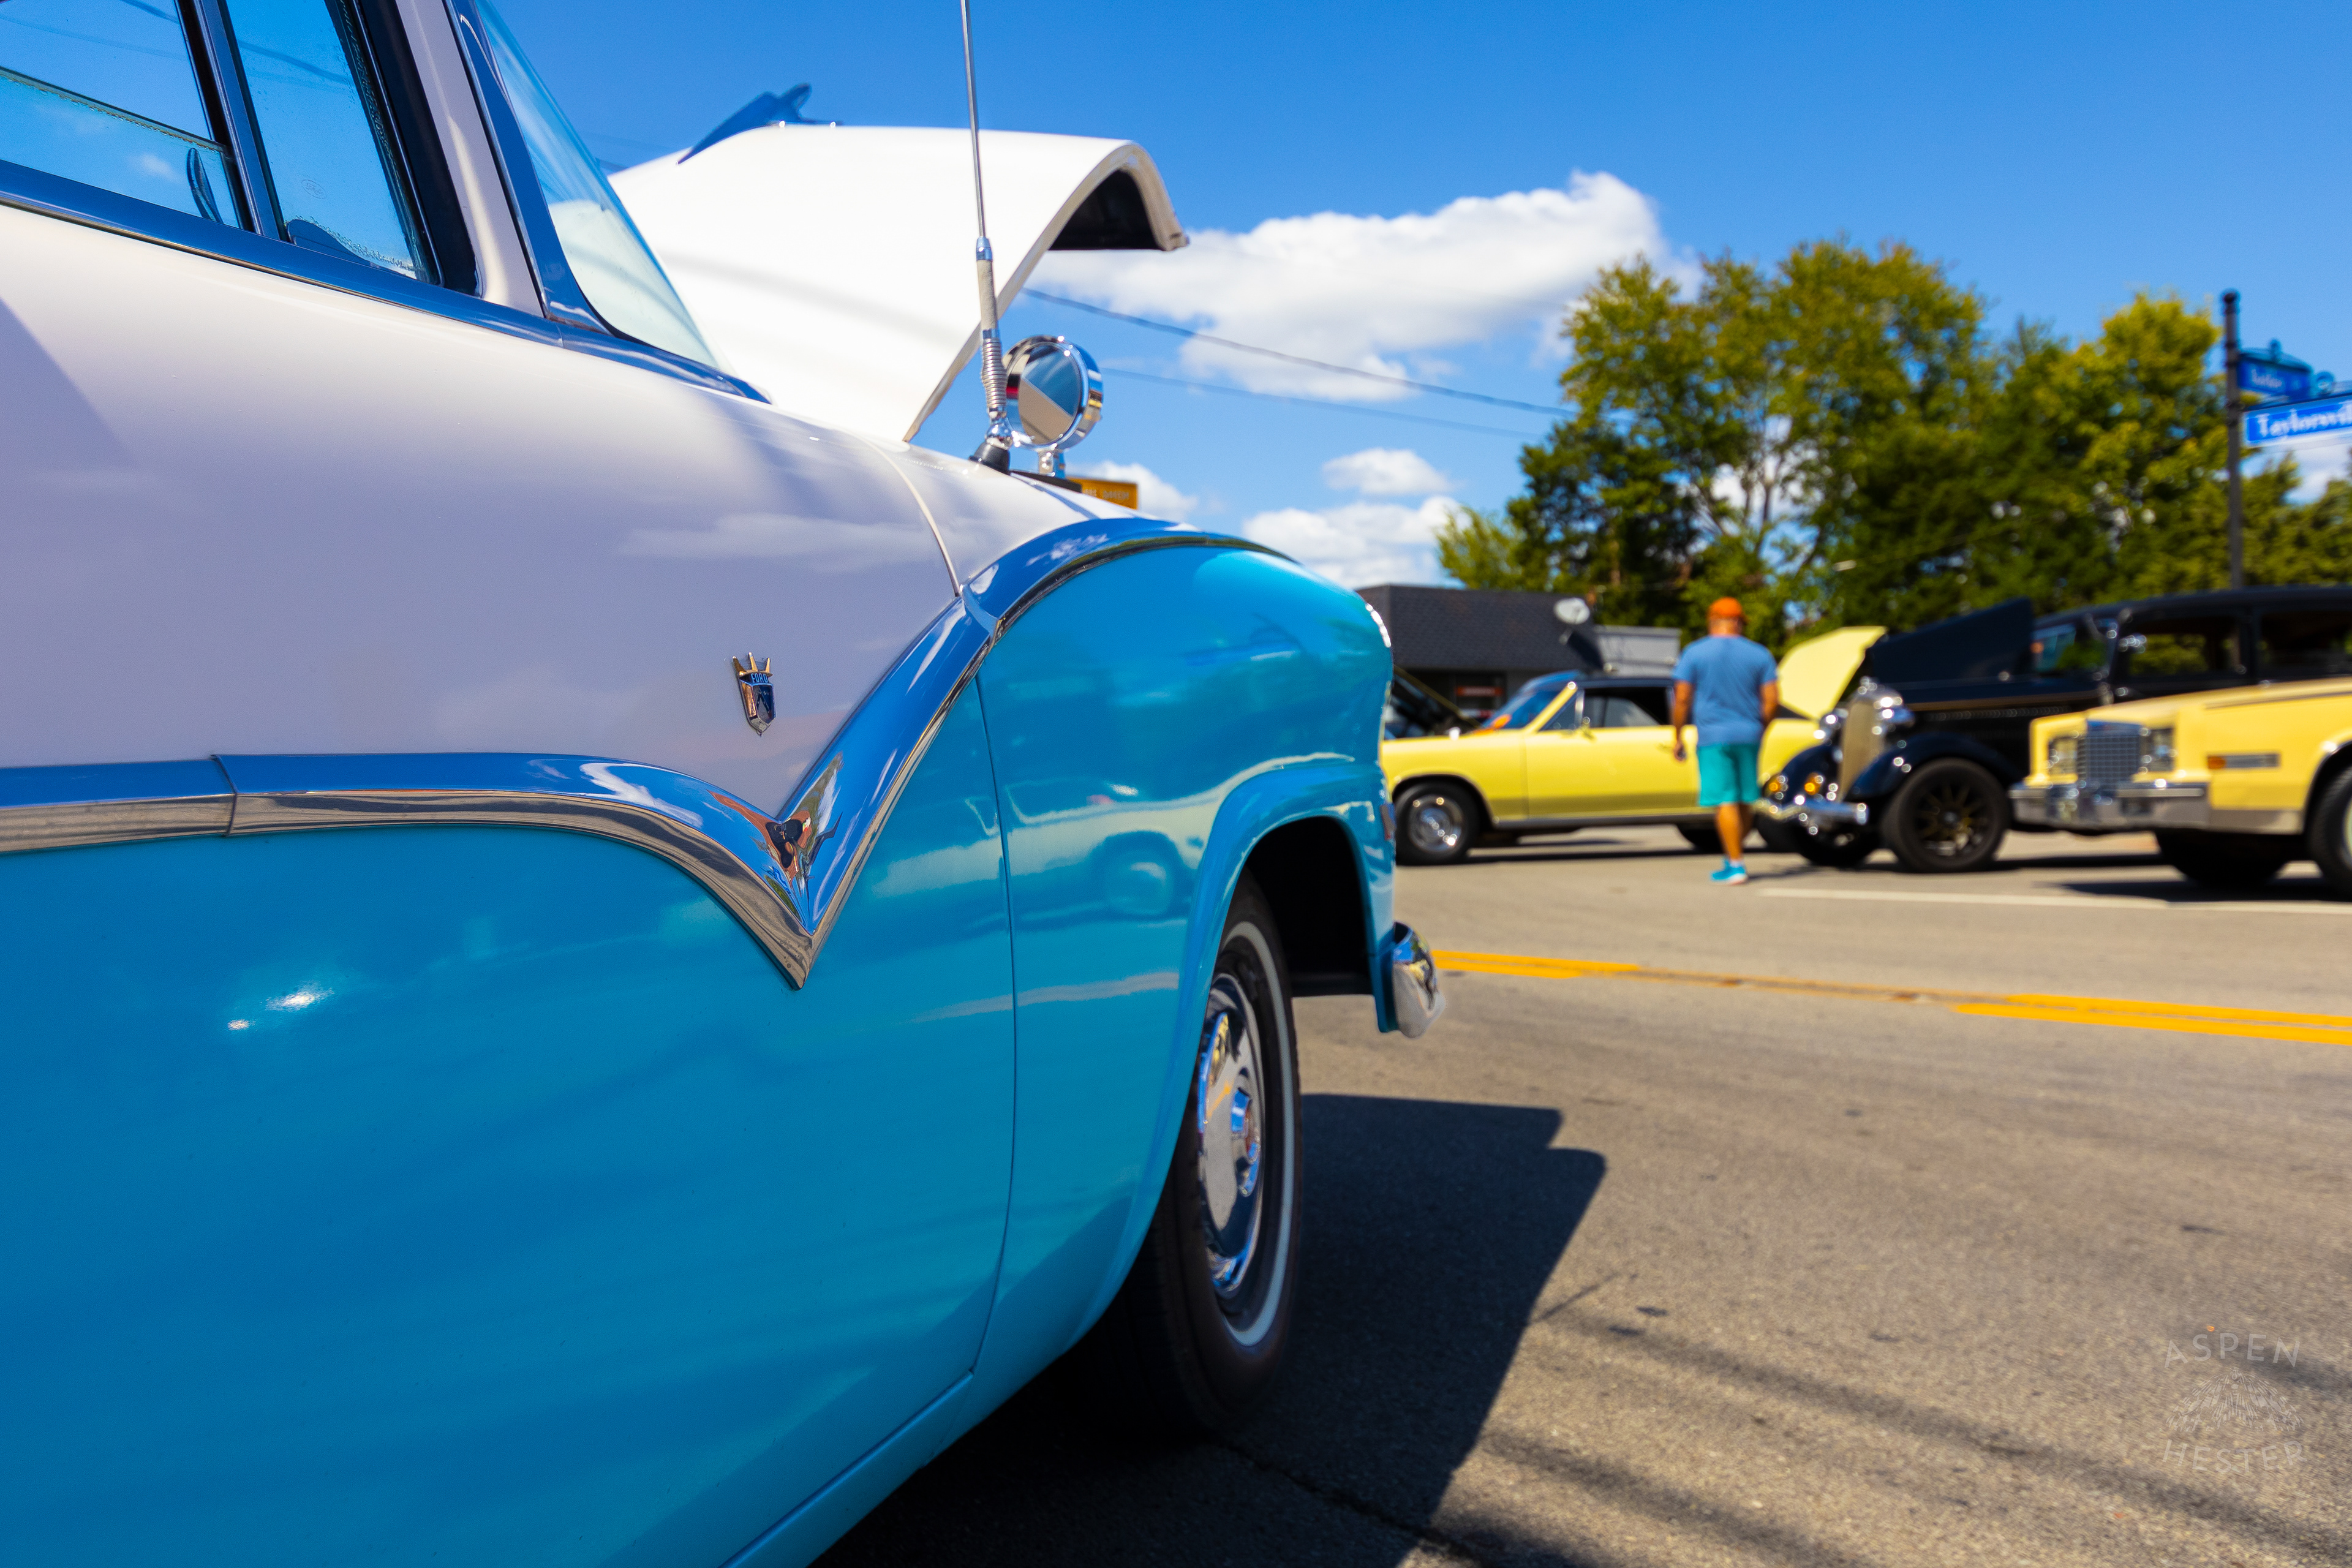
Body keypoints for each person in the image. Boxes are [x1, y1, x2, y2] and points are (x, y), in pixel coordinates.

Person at [1671, 598, 1779, 886]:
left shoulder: (1694, 653)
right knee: (1745, 799)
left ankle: (1736, 864)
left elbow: (1682, 699)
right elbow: (1772, 701)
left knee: (1725, 799)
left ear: (1712, 619)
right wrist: (1760, 727)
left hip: (1713, 736)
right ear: (1738, 622)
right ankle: (1733, 854)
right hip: (1750, 733)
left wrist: (1677, 735)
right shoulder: (1760, 654)